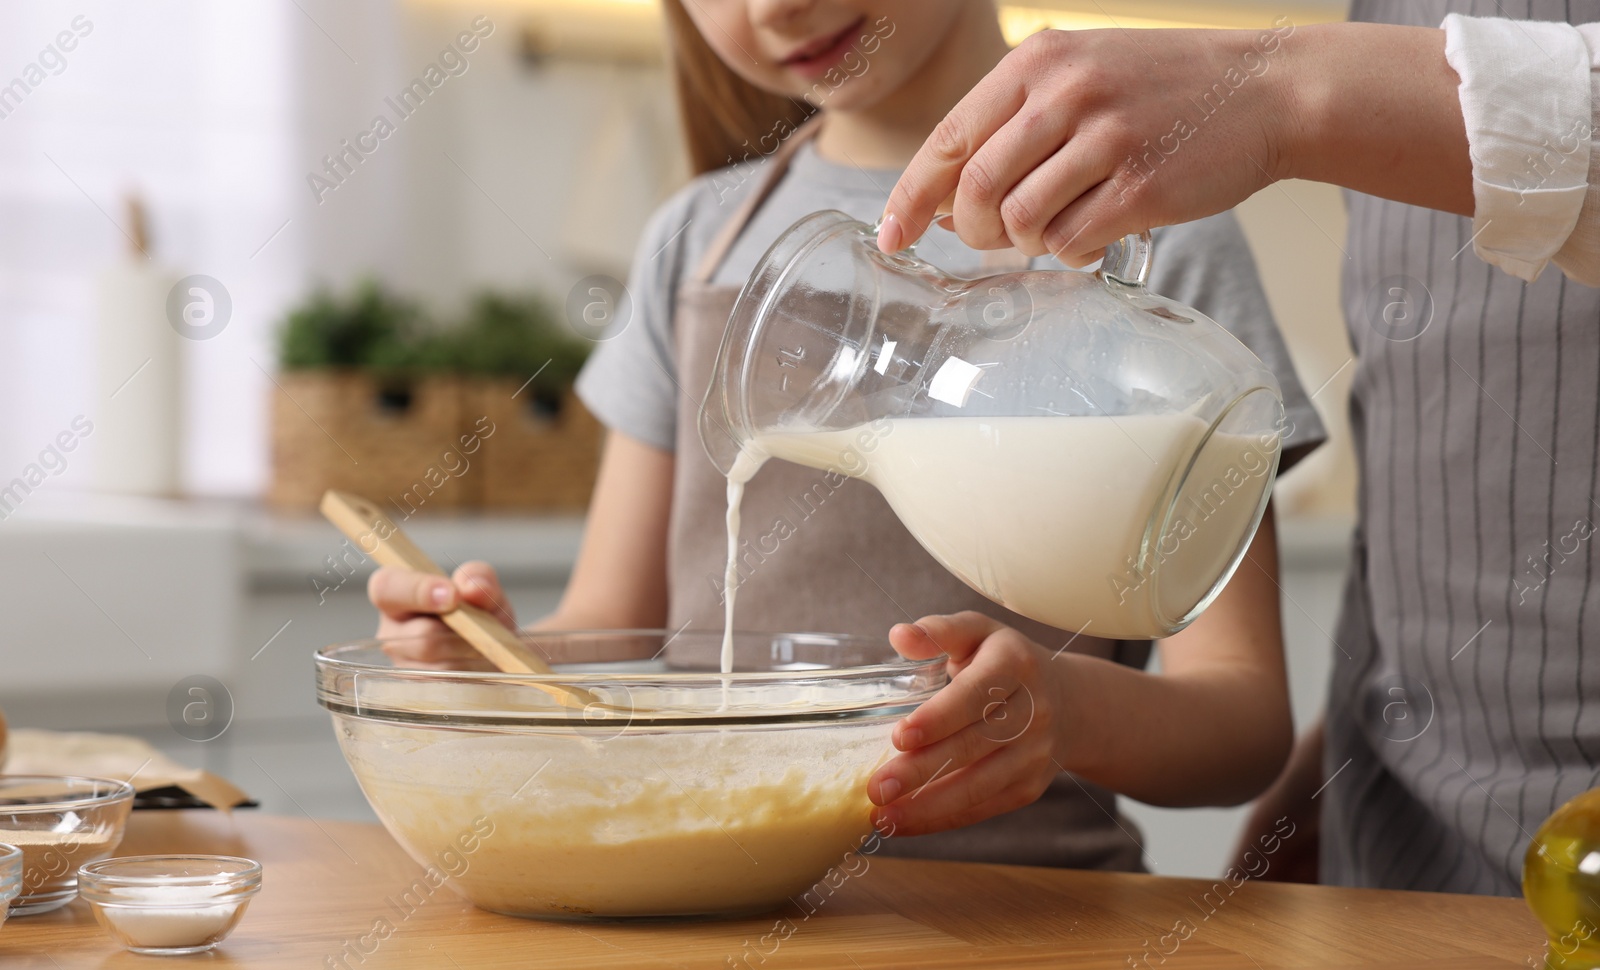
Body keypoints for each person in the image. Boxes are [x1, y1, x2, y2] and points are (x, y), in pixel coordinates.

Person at [366, 0, 1325, 870]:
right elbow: (610, 619)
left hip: (1039, 922)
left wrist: (1065, 715)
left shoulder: (1142, 222)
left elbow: (1242, 726)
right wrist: (489, 659)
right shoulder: (696, 240)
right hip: (723, 893)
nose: (771, 8)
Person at [877, 3, 1600, 895]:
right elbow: (1441, 434)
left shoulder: (1141, 234)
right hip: (1406, 832)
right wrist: (1346, 748)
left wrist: (1281, 86)